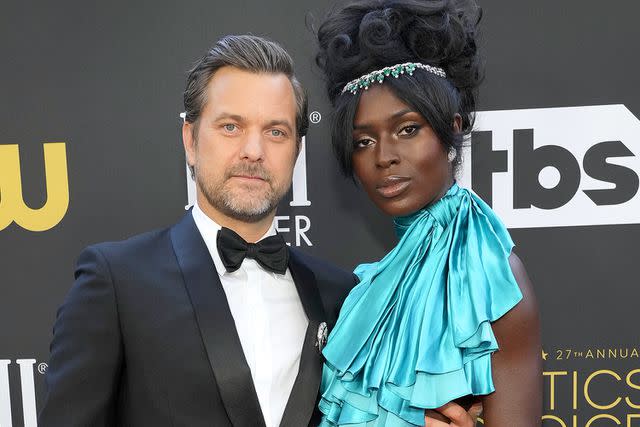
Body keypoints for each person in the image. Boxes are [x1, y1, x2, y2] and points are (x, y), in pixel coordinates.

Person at [37, 34, 475, 427]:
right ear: (190, 140)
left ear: (297, 150)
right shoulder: (116, 281)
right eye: (231, 127)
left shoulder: (341, 298)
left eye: (276, 132)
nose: (253, 151)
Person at [314, 0, 542, 426]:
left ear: (452, 127)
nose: (384, 157)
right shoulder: (369, 287)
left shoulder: (490, 277)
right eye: (363, 141)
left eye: (407, 129)